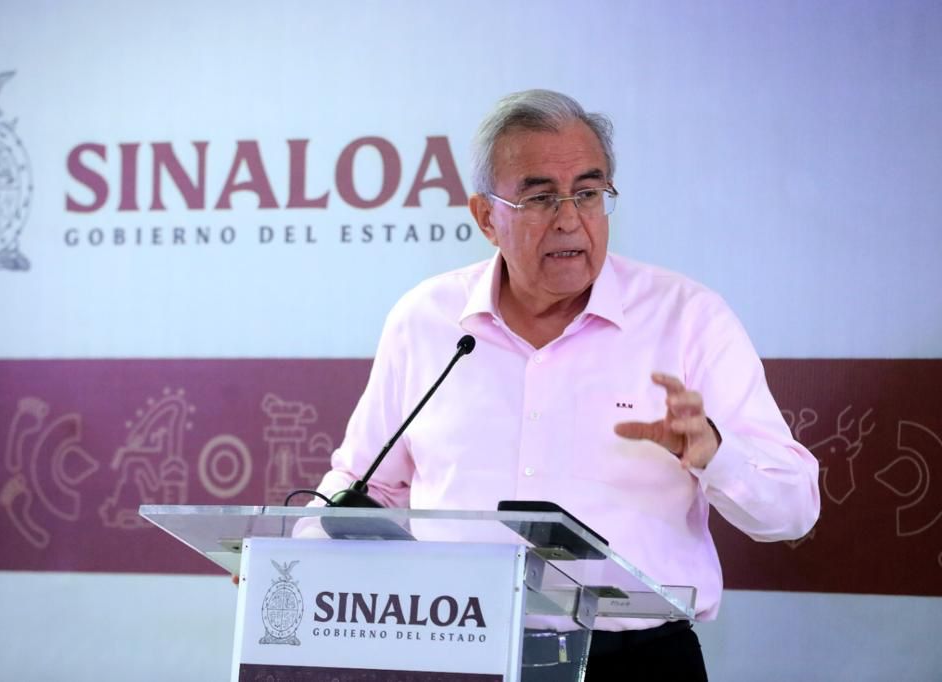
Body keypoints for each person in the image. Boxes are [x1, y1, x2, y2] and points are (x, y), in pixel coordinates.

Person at [312, 89, 820, 680]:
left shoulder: (688, 320)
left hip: (633, 664)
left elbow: (794, 510)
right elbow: (365, 483)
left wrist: (714, 453)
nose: (570, 219)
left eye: (588, 193)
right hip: (454, 653)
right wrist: (290, 557)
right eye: (540, 198)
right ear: (485, 217)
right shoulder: (426, 320)